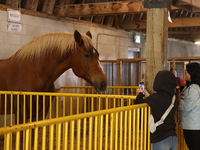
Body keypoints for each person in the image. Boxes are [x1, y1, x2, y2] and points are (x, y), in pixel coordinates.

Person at [135, 71, 178, 150]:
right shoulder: (174, 97)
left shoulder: (156, 98)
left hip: (161, 138)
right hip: (173, 138)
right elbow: (162, 103)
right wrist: (149, 96)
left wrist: (140, 94)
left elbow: (137, 104)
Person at [178, 62, 200, 150]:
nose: (185, 73)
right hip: (192, 124)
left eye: (186, 72)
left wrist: (178, 99)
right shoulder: (192, 87)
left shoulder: (193, 88)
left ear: (193, 73)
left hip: (193, 125)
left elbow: (187, 106)